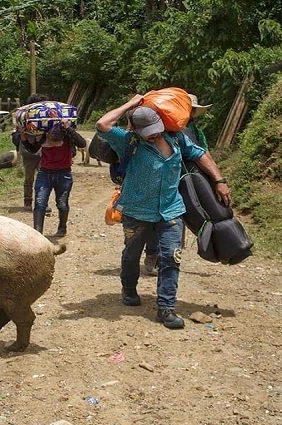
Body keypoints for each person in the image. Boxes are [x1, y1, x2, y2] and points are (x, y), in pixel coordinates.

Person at [96, 95, 231, 329]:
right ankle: (129, 289)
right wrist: (130, 104)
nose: (154, 134)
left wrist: (219, 179)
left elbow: (200, 154)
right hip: (137, 212)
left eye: (157, 128)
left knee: (171, 258)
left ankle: (166, 308)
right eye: (148, 131)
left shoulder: (176, 138)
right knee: (131, 255)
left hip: (171, 211)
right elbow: (102, 125)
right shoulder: (127, 142)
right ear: (135, 130)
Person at [142, 93, 213, 276]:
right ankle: (152, 255)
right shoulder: (159, 130)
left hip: (186, 181)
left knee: (178, 217)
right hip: (160, 182)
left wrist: (214, 179)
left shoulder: (194, 131)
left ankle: (170, 256)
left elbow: (203, 153)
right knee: (154, 220)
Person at [31, 120, 86, 237]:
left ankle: (62, 228)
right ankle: (37, 234)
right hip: (44, 173)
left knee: (62, 204)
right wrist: (24, 137)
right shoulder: (43, 135)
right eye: (51, 142)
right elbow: (32, 149)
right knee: (40, 204)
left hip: (64, 174)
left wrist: (68, 128)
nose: (53, 144)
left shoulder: (68, 137)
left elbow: (82, 144)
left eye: (57, 142)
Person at [17, 93, 51, 212]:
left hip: (42, 152)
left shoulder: (47, 117)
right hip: (28, 152)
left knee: (43, 179)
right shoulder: (25, 117)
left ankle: (42, 203)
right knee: (29, 178)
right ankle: (28, 201)